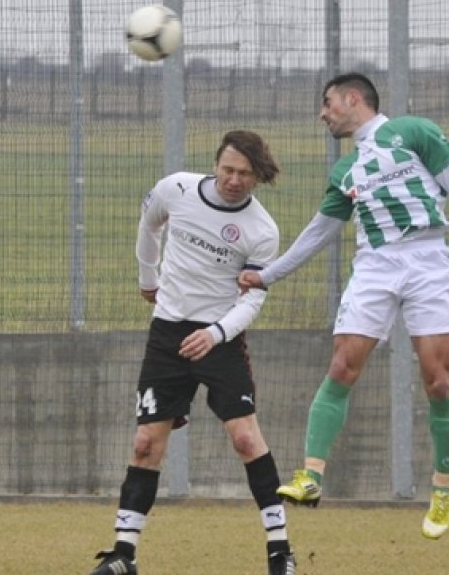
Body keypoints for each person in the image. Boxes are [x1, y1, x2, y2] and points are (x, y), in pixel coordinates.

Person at [238, 72, 449, 540]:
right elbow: (318, 232)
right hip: (374, 267)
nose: (322, 114)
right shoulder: (344, 172)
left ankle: (443, 489)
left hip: (427, 260)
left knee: (439, 380)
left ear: (353, 99)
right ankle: (311, 476)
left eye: (328, 103)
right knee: (343, 366)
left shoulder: (412, 132)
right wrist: (267, 275)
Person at [88, 130, 297, 575]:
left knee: (245, 438)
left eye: (244, 174)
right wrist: (148, 279)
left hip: (220, 340)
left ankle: (280, 552)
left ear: (257, 177)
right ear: (216, 163)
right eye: (228, 169)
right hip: (167, 335)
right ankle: (124, 554)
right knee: (146, 444)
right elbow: (149, 226)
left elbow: (253, 300)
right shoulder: (176, 188)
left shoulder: (262, 231)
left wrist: (216, 333)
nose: (234, 180)